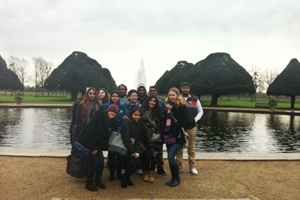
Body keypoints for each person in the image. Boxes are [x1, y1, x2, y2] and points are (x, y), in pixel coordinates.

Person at [78, 104, 119, 191]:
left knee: (101, 163)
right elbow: (89, 133)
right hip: (88, 143)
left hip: (97, 146)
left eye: (115, 112)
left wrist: (98, 149)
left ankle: (98, 180)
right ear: (107, 111)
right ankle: (89, 182)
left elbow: (105, 139)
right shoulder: (98, 118)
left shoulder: (112, 123)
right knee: (94, 162)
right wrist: (93, 149)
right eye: (111, 111)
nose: (112, 113)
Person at [176, 82, 203, 175]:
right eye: (183, 88)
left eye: (187, 88)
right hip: (180, 127)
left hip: (191, 127)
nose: (185, 89)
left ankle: (192, 167)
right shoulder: (178, 99)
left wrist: (194, 120)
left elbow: (200, 111)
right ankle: (178, 167)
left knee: (191, 147)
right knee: (179, 147)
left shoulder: (195, 99)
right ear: (181, 88)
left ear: (189, 89)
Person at [101, 90, 129, 181]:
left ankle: (119, 172)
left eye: (117, 96)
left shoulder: (123, 106)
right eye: (113, 96)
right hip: (109, 134)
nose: (115, 98)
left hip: (120, 133)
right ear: (110, 97)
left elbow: (127, 118)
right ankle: (112, 173)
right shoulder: (105, 106)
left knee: (120, 155)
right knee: (111, 155)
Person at [164, 87, 187, 187]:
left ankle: (176, 178)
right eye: (170, 95)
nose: (172, 97)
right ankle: (173, 177)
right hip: (168, 135)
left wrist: (172, 133)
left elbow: (181, 122)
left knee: (171, 157)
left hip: (177, 135)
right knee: (170, 157)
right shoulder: (167, 107)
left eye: (173, 95)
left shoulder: (182, 106)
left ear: (177, 95)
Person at [140, 95, 164, 183]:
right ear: (147, 101)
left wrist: (159, 135)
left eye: (154, 101)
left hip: (157, 137)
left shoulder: (158, 112)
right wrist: (147, 135)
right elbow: (141, 125)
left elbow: (162, 125)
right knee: (147, 155)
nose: (152, 102)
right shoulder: (142, 111)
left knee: (155, 155)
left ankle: (151, 172)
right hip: (145, 137)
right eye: (150, 100)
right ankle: (146, 172)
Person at [120, 107, 142, 188]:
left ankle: (127, 177)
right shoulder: (127, 123)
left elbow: (137, 140)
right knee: (133, 165)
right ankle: (124, 179)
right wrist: (132, 152)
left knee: (138, 164)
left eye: (139, 115)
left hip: (132, 149)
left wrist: (138, 152)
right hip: (125, 149)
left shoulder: (137, 124)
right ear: (131, 115)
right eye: (135, 115)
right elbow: (126, 139)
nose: (137, 117)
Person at [149, 86, 166, 175]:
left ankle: (160, 167)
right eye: (151, 91)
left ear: (157, 92)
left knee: (159, 151)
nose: (152, 92)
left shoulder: (162, 104)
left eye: (154, 91)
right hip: (149, 131)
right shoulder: (147, 103)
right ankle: (148, 168)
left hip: (159, 130)